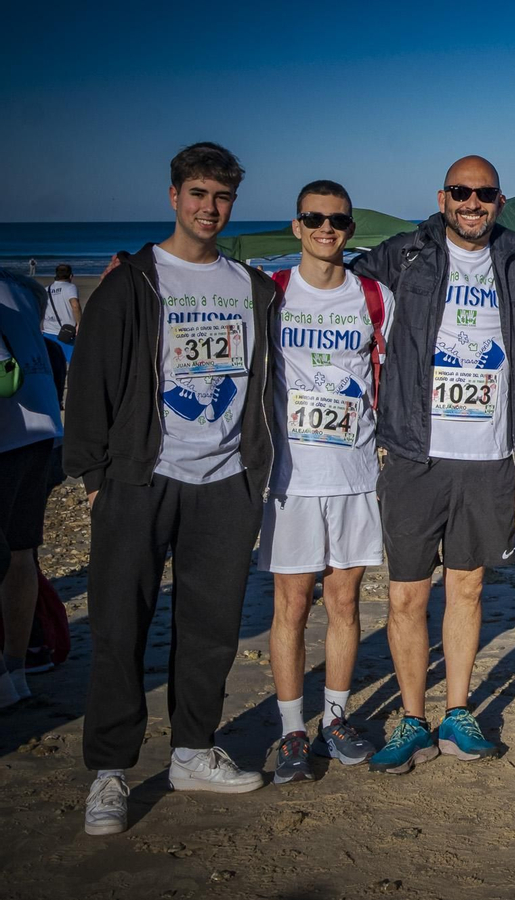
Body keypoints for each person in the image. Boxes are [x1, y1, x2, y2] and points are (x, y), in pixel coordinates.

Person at [67, 142, 277, 835]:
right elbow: (90, 380)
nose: (209, 209)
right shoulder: (134, 281)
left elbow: (270, 378)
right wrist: (96, 478)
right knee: (120, 627)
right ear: (173, 197)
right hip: (141, 478)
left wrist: (256, 471)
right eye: (197, 195)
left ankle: (192, 750)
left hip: (224, 483)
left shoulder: (251, 288)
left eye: (221, 198)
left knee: (210, 630)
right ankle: (109, 773)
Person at [348, 156, 515, 774]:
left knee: (468, 587)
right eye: (461, 193)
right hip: (416, 453)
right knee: (406, 595)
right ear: (442, 196)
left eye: (485, 194)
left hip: (490, 456)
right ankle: (412, 719)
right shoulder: (404, 256)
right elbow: (333, 288)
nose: (472, 203)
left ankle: (458, 712)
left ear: (501, 201)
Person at [261, 181, 392, 784]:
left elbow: (392, 369)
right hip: (290, 477)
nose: (326, 228)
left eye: (337, 220)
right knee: (290, 605)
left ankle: (335, 721)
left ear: (350, 228)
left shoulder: (373, 296)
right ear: (297, 226)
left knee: (343, 602)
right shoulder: (270, 292)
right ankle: (291, 732)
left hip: (354, 473)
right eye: (314, 218)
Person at [1, 270, 62, 711]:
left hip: (7, 431)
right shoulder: (21, 289)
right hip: (40, 431)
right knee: (21, 553)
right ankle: (16, 671)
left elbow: (6, 376)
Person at [42, 264, 81, 364]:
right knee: (72, 361)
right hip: (66, 332)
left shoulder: (47, 289)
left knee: (53, 362)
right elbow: (75, 305)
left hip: (48, 330)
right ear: (71, 276)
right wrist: (79, 323)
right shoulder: (70, 287)